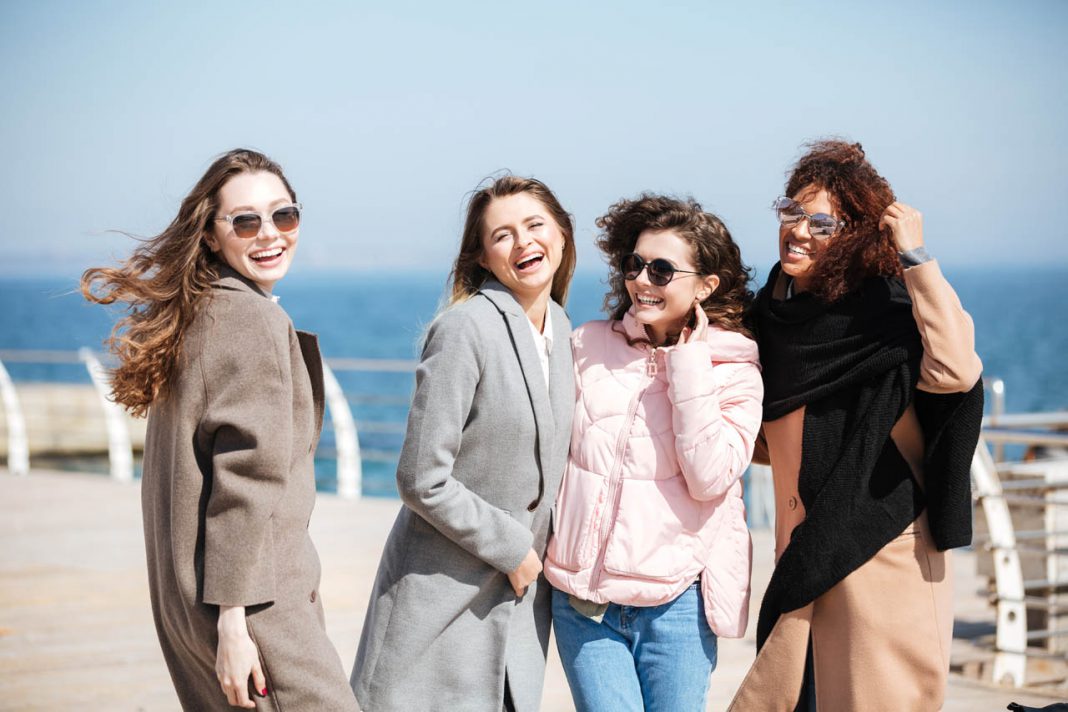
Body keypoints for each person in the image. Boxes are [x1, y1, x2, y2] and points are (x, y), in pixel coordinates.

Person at [81, 149, 358, 710]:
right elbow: (245, 484)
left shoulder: (199, 313)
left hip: (194, 605)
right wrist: (236, 625)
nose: (270, 235)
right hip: (257, 610)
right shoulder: (250, 319)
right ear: (210, 235)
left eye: (284, 216)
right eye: (246, 221)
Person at [728, 140, 984, 710]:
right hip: (806, 549)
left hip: (879, 549)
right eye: (792, 212)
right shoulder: (772, 315)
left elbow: (956, 371)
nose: (799, 230)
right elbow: (769, 430)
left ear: (854, 237)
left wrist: (914, 256)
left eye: (823, 223)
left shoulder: (887, 311)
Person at [350, 175, 577, 712]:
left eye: (534, 225)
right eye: (502, 235)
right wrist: (513, 548)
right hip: (436, 602)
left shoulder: (565, 333)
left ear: (562, 236)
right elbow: (420, 477)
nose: (523, 242)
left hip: (518, 615)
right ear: (483, 257)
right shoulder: (464, 329)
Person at [543, 194, 763, 711]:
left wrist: (687, 364)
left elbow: (710, 477)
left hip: (675, 609)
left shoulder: (735, 372)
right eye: (634, 265)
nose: (642, 280)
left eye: (662, 270)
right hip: (584, 602)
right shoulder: (585, 346)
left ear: (706, 285)